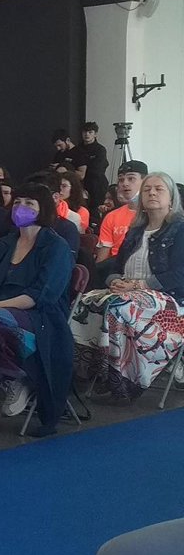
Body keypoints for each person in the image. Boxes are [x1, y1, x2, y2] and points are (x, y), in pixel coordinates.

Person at [0, 183, 73, 437]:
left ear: (43, 209)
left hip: (39, 317)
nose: (21, 208)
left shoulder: (56, 247)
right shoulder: (5, 244)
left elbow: (39, 297)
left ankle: (14, 376)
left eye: (29, 203)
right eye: (17, 202)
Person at [71, 172, 184, 405]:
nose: (152, 193)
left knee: (119, 307)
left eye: (159, 189)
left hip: (169, 300)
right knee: (85, 303)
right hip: (130, 293)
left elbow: (180, 274)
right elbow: (116, 266)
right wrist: (115, 281)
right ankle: (86, 370)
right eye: (147, 189)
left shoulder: (180, 230)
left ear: (171, 198)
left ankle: (121, 379)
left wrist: (140, 285)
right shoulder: (135, 231)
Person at [96, 161, 148, 263]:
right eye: (121, 180)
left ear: (145, 181)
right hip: (115, 267)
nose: (125, 183)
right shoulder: (112, 216)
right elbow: (102, 259)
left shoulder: (154, 215)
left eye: (131, 178)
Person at [70, 121, 110, 210]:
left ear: (95, 134)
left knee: (96, 210)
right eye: (85, 132)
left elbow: (99, 169)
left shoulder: (100, 149)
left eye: (90, 132)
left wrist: (82, 171)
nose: (87, 134)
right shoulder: (76, 149)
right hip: (80, 185)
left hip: (97, 185)